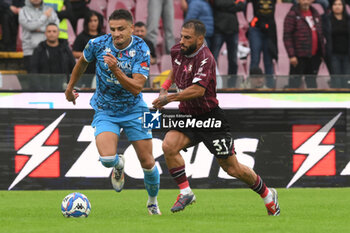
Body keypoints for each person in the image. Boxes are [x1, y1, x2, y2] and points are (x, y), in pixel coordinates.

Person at [152, 20, 280, 215]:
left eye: (187, 38)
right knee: (169, 145)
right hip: (187, 115)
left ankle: (268, 195)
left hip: (211, 119)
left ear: (200, 39)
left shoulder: (206, 58)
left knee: (233, 168)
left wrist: (169, 97)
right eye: (181, 36)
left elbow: (197, 90)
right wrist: (164, 87)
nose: (182, 41)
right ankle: (186, 192)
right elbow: (175, 70)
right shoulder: (177, 50)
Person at [65, 9, 161, 215]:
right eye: (113, 29)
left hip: (136, 108)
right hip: (105, 108)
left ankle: (152, 202)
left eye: (121, 29)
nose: (116, 33)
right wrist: (69, 87)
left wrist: (116, 69)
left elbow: (137, 87)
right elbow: (82, 62)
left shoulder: (142, 48)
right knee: (107, 159)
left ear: (131, 28)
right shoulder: (97, 44)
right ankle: (119, 165)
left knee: (148, 162)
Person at [283, 0, 325, 88]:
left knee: (312, 84)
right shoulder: (292, 14)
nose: (305, 1)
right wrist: (291, 55)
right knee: (294, 85)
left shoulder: (316, 13)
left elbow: (320, 34)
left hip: (314, 56)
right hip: (299, 56)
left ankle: (312, 101)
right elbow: (287, 36)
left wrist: (321, 53)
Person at [19, 0, 59, 72]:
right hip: (30, 51)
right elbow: (30, 26)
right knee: (33, 80)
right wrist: (44, 17)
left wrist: (37, 28)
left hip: (48, 50)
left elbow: (56, 26)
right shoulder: (23, 11)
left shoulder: (49, 9)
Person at [211, 0, 245, 82]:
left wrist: (224, 6)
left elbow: (241, 6)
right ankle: (211, 81)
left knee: (233, 59)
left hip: (233, 29)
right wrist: (233, 4)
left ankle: (232, 83)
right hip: (219, 29)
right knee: (212, 58)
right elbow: (217, 3)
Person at [246, 0, 278, 87]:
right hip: (256, 27)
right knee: (255, 59)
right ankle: (251, 86)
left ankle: (270, 88)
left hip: (269, 28)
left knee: (269, 60)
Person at [322, 0, 350, 88]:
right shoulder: (326, 19)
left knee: (347, 80)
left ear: (343, 6)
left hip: (347, 54)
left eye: (339, 4)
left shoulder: (348, 19)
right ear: (331, 6)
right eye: (335, 4)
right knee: (336, 80)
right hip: (333, 54)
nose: (337, 7)